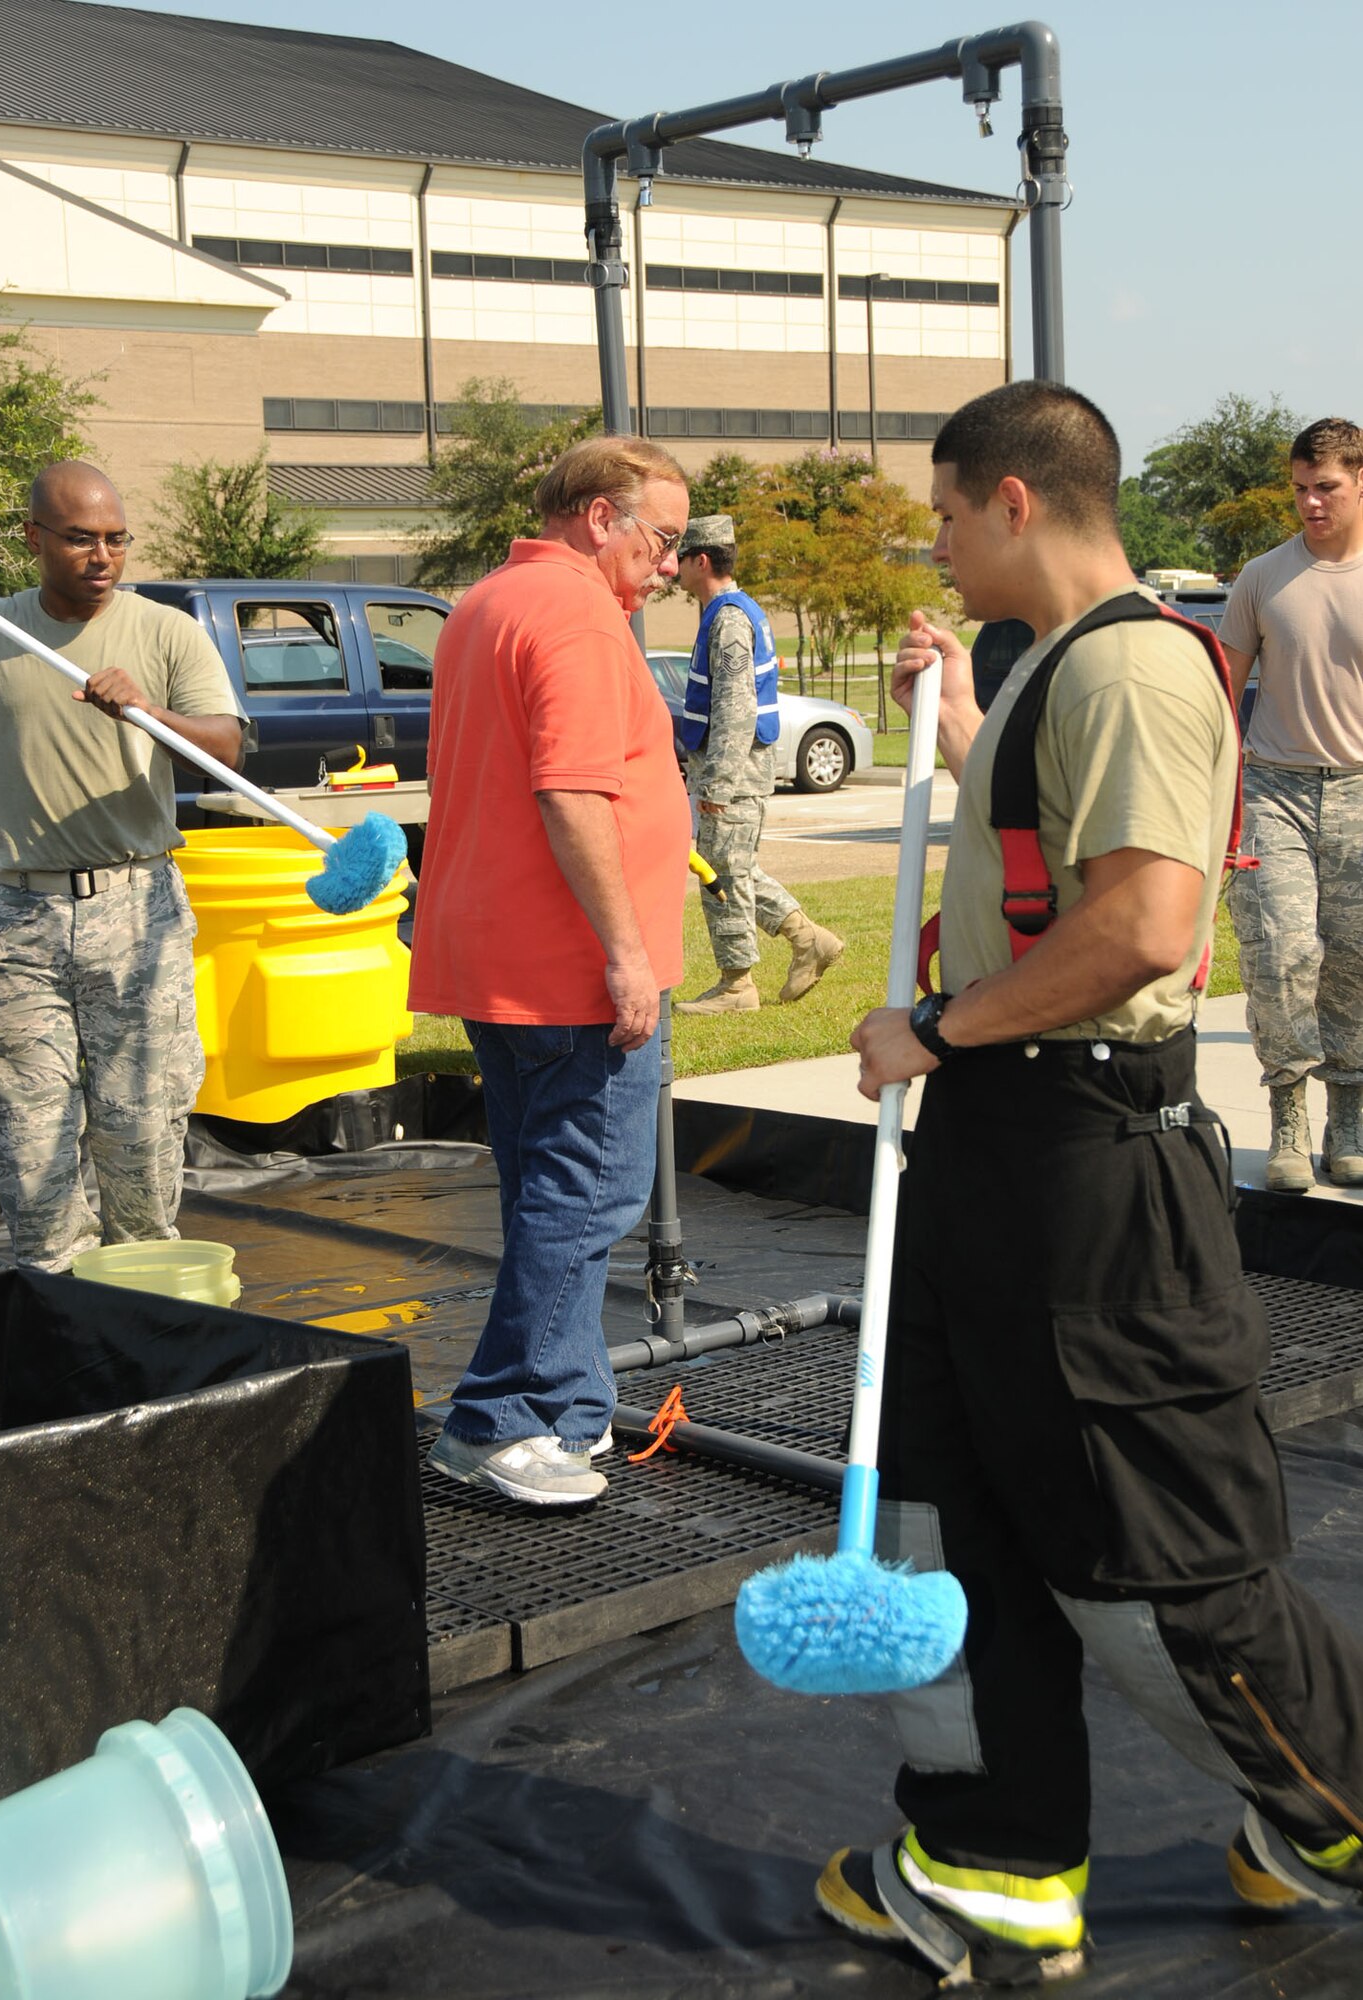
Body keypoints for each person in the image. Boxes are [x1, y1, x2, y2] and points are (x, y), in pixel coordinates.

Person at [814, 381, 1363, 1988]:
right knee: (945, 1513)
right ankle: (991, 1859)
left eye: (935, 511)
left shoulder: (1130, 661)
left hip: (1084, 1169)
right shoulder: (1055, 670)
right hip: (991, 1154)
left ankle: (1330, 1804)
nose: (928, 543)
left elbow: (1132, 930)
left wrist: (926, 1023)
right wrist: (959, 722)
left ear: (1007, 501)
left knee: (1152, 1544)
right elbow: (1047, 857)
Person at [410, 435, 691, 1508]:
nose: (666, 566)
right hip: (565, 961)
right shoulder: (576, 613)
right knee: (588, 1190)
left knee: (546, 1183)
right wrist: (627, 952)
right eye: (659, 540)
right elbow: (570, 790)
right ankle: (498, 1417)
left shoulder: (487, 601)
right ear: (599, 516)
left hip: (499, 951)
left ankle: (566, 1401)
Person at [0, 462, 245, 1272]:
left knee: (140, 1129)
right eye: (79, 539)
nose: (101, 555)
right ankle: (57, 1315)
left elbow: (227, 748)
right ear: (35, 538)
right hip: (12, 920)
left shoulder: (164, 631)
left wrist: (148, 711)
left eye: (114, 539)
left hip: (136, 909)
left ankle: (142, 1313)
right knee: (28, 1139)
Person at [1219, 417, 1363, 1192]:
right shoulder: (1262, 577)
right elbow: (1221, 694)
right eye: (1301, 489)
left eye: (1326, 488)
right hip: (1271, 788)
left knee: (1351, 962)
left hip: (1359, 791)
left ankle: (1349, 1120)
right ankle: (1286, 1119)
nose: (1310, 504)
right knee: (1279, 955)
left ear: (1359, 481)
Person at [673, 515, 844, 1013]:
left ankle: (736, 986)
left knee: (723, 875)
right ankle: (809, 940)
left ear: (701, 560)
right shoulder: (732, 612)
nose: (674, 568)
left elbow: (736, 708)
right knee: (735, 867)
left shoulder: (727, 620)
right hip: (734, 772)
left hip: (732, 775)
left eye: (681, 558)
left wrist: (717, 785)